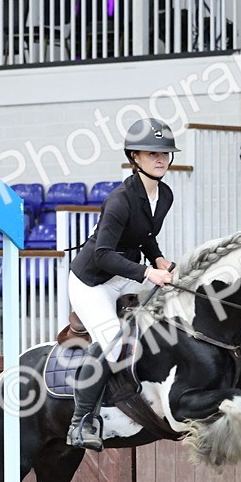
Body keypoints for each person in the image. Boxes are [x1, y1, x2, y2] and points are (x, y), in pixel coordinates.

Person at [66, 117, 179, 450]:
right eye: (152, 153)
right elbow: (102, 255)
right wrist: (147, 273)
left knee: (168, 313)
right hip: (92, 281)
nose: (161, 159)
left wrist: (158, 258)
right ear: (134, 157)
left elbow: (145, 235)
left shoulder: (165, 195)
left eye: (165, 153)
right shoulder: (119, 200)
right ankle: (80, 421)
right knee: (114, 342)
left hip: (124, 276)